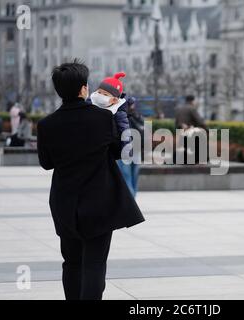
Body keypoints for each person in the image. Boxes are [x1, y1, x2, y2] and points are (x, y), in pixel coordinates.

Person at [37, 60, 144, 300]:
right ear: (84, 88)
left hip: (65, 203)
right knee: (94, 264)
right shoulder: (103, 119)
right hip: (99, 203)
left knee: (71, 262)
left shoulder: (46, 125)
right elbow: (121, 152)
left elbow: (46, 163)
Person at [117, 98, 144, 197]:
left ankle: (131, 198)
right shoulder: (139, 117)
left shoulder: (121, 116)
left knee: (126, 176)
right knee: (134, 176)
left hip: (125, 151)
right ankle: (133, 197)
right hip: (137, 150)